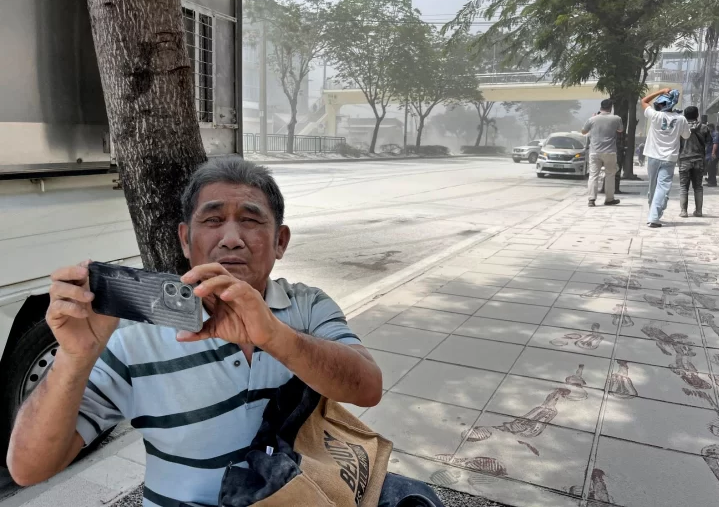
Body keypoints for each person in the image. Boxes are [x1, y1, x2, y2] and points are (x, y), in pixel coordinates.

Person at [6, 158, 445, 507]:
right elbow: (28, 468)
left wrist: (274, 335)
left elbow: (367, 387)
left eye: (251, 220)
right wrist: (75, 358)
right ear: (185, 239)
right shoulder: (133, 334)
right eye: (213, 219)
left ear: (280, 241)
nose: (231, 237)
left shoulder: (307, 306)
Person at [641, 88, 691, 228]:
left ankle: (652, 214)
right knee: (662, 187)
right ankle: (654, 216)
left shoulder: (655, 115)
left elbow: (644, 101)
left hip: (653, 156)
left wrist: (660, 91)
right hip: (669, 158)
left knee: (653, 186)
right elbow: (686, 135)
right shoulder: (681, 119)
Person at [582, 98, 623, 207]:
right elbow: (620, 130)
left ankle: (591, 199)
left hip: (594, 151)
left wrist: (594, 121)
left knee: (593, 176)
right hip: (610, 151)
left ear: (601, 107)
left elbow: (583, 131)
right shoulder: (616, 118)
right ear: (611, 107)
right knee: (610, 175)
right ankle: (609, 199)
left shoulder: (592, 119)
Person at [678, 106, 711, 217]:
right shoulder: (704, 128)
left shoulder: (681, 127)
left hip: (684, 160)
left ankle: (683, 211)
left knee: (683, 187)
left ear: (685, 116)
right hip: (698, 160)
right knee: (698, 187)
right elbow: (709, 143)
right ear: (697, 115)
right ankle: (699, 211)